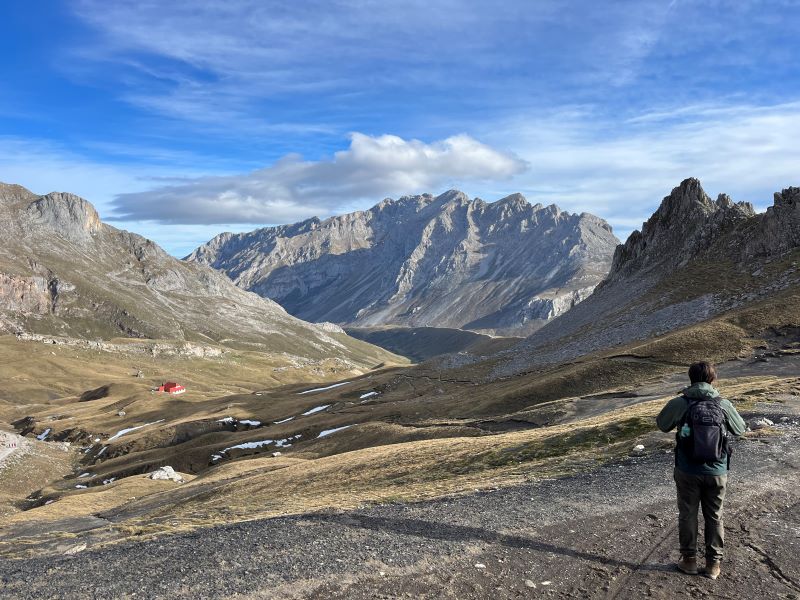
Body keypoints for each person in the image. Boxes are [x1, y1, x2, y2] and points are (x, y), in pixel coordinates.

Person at [656, 361, 746, 580]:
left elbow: (662, 424)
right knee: (715, 516)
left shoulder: (680, 402)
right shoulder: (723, 403)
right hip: (717, 471)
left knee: (687, 513)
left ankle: (689, 562)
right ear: (713, 380)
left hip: (687, 469)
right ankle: (713, 565)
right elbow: (740, 429)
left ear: (691, 379)